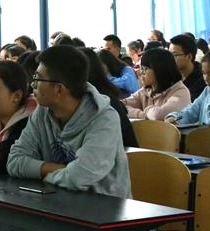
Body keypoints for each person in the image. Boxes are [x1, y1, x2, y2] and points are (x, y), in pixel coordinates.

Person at [7, 44, 131, 197]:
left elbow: (79, 177)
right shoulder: (42, 112)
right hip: (56, 200)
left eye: (37, 78)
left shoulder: (104, 119)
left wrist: (44, 174)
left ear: (59, 89)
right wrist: (64, 169)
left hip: (105, 206)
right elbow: (14, 161)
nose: (33, 84)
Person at [81, 48, 138, 148]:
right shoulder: (98, 94)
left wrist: (109, 79)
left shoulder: (103, 104)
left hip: (127, 154)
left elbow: (129, 85)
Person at [123, 47, 190, 120]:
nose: (141, 73)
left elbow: (158, 115)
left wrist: (146, 110)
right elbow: (120, 106)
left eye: (145, 69)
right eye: (141, 68)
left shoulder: (180, 92)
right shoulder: (147, 90)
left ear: (159, 70)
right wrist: (143, 114)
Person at [167, 49, 210, 127]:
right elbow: (192, 110)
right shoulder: (208, 90)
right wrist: (175, 117)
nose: (206, 78)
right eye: (203, 73)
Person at [170, 34, 205, 100]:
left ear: (189, 56)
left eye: (175, 55)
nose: (170, 59)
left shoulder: (202, 78)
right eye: (169, 54)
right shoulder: (170, 75)